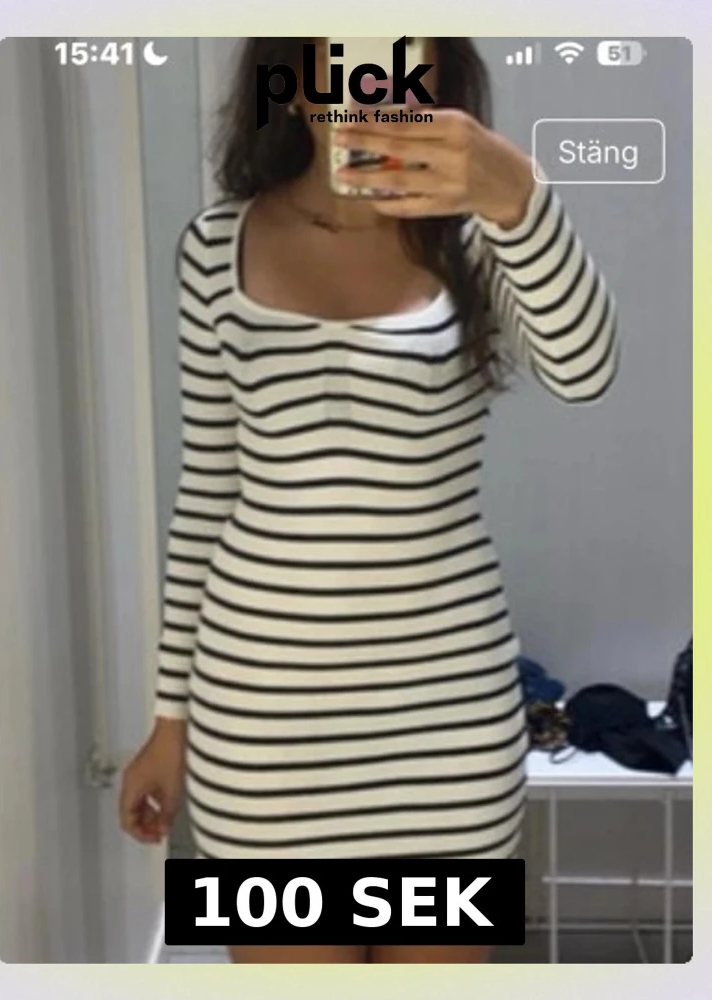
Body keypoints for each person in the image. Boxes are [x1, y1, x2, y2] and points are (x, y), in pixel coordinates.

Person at [120, 37, 619, 964]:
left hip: (448, 719)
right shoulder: (215, 246)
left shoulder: (476, 237)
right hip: (262, 723)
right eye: (344, 49)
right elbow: (207, 495)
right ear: (292, 76)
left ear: (438, 73)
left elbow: (587, 372)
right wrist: (168, 724)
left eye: (402, 52)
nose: (372, 81)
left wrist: (516, 194)